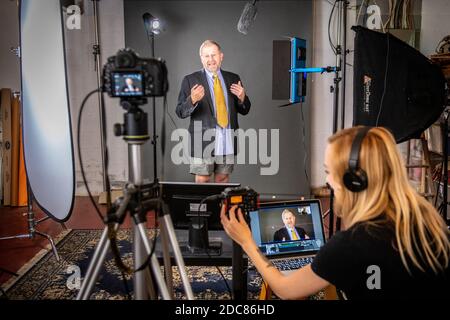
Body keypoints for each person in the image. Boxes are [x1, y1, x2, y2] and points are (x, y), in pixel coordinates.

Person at [221, 126, 450, 299]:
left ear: (354, 181)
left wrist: (247, 242)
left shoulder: (352, 244)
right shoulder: (428, 220)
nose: (328, 181)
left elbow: (285, 290)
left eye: (329, 172)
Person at [176, 40, 251, 183]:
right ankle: (203, 207)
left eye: (214, 55)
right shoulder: (190, 80)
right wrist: (192, 100)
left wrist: (242, 98)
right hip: (202, 141)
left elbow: (245, 109)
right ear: (201, 58)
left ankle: (219, 207)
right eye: (206, 56)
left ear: (221, 56)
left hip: (227, 139)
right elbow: (180, 111)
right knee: (203, 179)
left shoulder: (233, 78)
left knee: (223, 179)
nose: (211, 60)